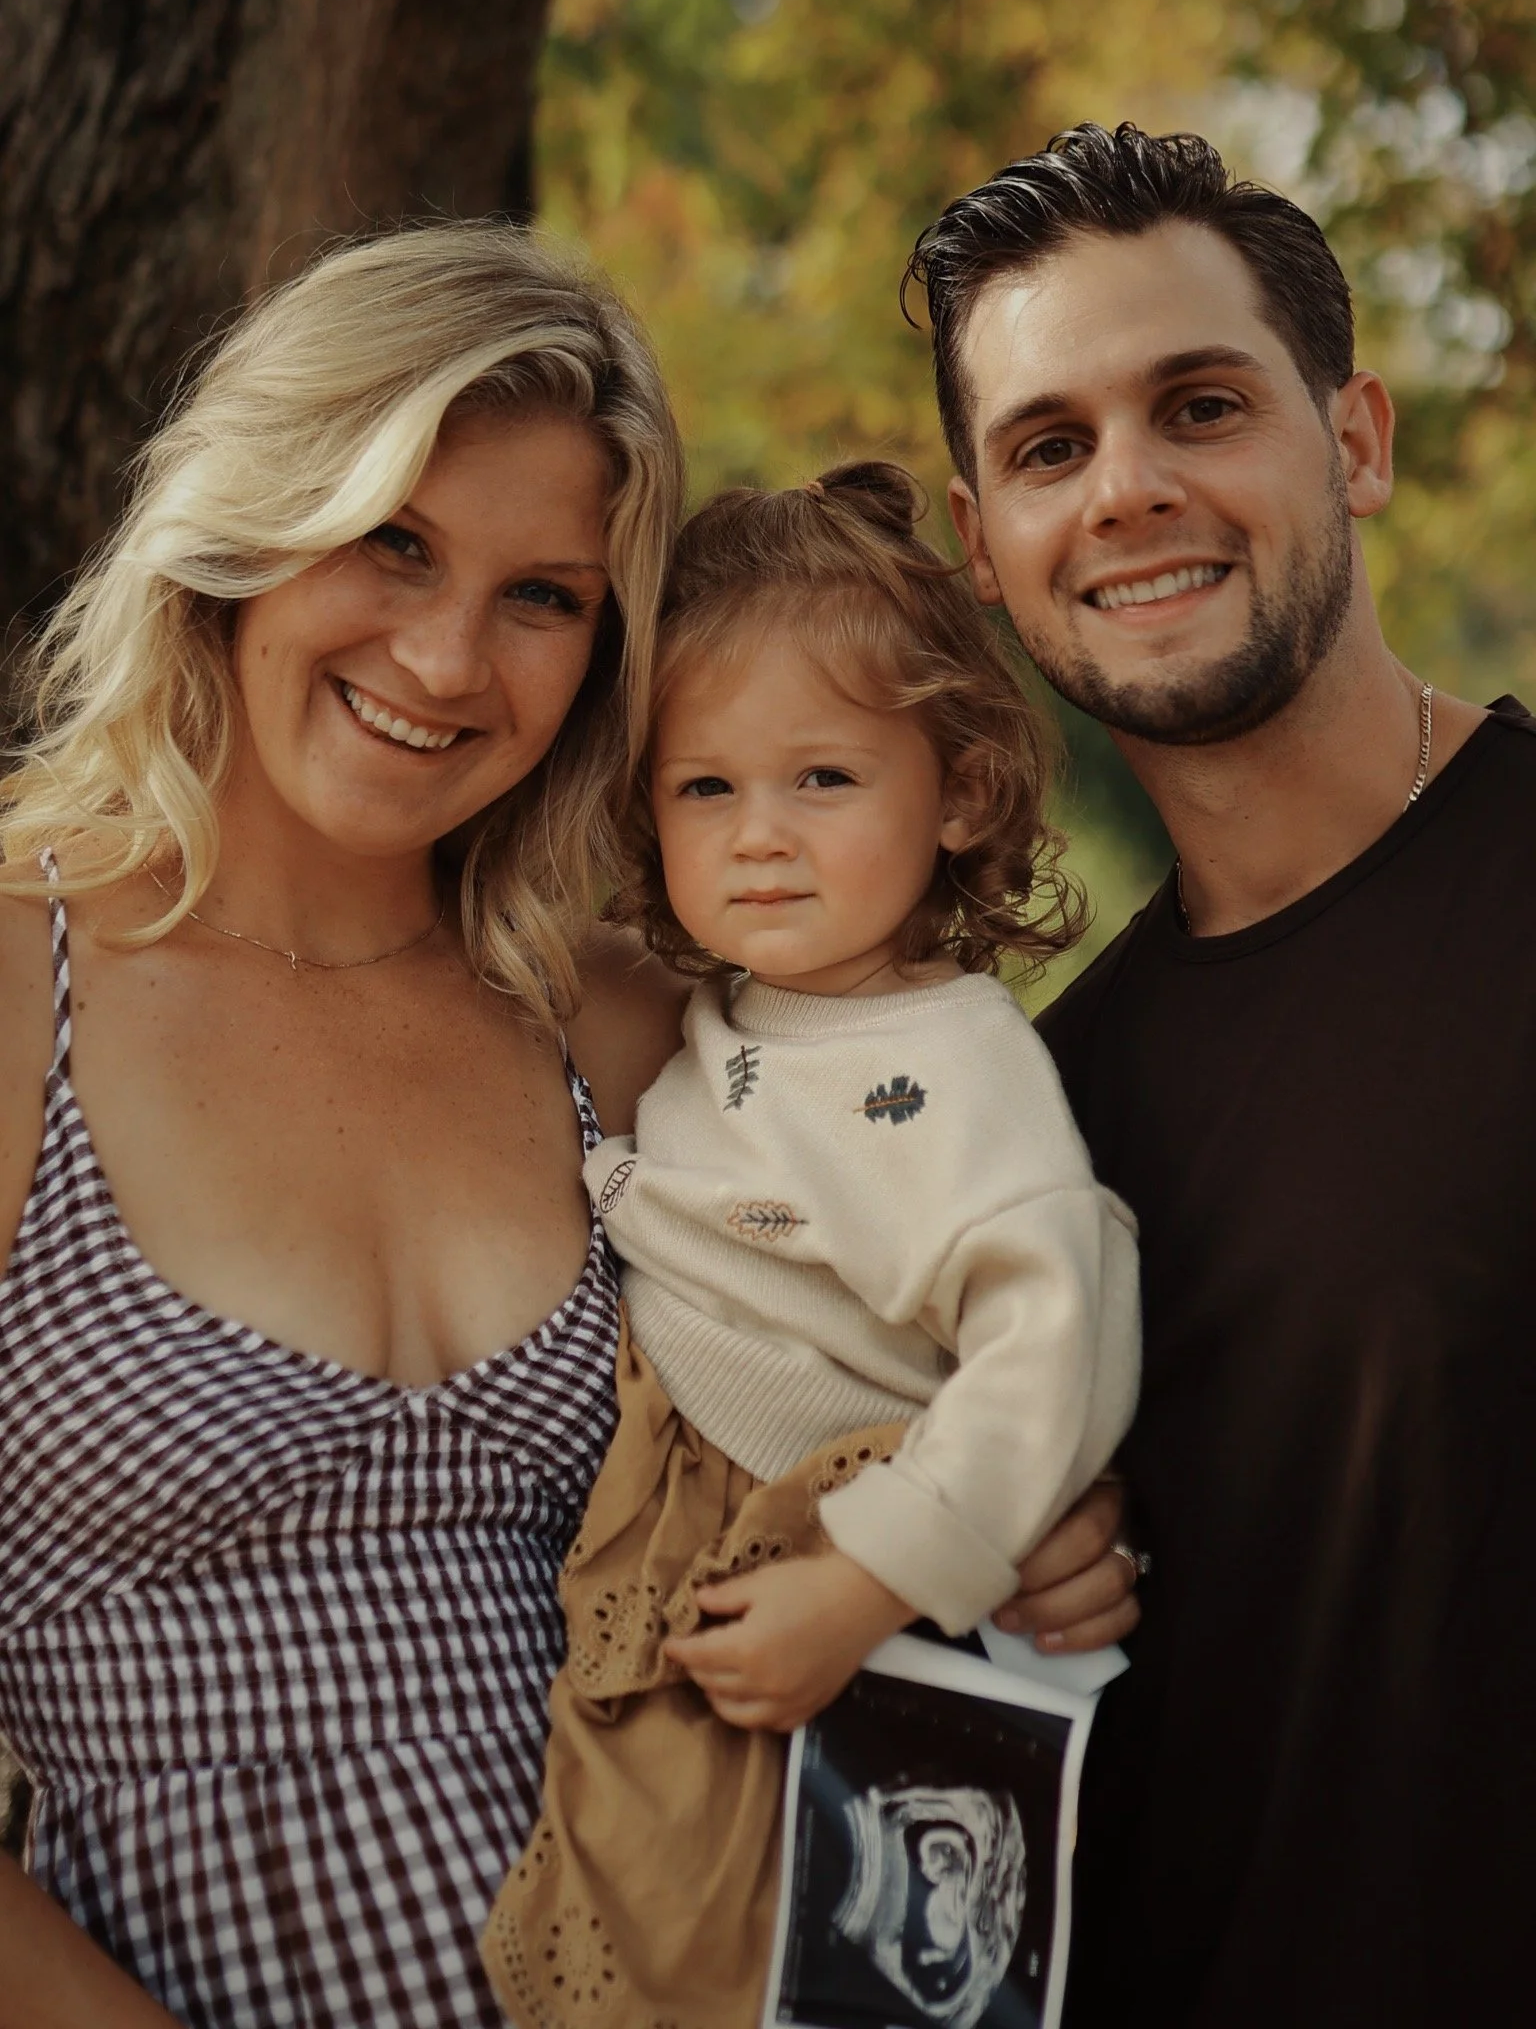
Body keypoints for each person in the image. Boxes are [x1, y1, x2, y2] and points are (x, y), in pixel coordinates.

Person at [0, 225, 1137, 2028]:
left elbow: (904, 1334)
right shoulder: (21, 992)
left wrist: (1002, 1522)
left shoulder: (618, 1029)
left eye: (544, 597)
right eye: (393, 542)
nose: (448, 658)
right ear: (244, 526)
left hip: (681, 1953)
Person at [907, 120, 1536, 2025]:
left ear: (1353, 443)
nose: (1127, 491)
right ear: (985, 553)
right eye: (1049, 448)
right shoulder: (1029, 1118)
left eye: (1199, 406)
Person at [480, 465, 1140, 2029]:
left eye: (823, 782)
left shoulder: (953, 1059)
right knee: (625, 1891)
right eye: (705, 790)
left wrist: (867, 1580)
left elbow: (1058, 1330)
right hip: (677, 1518)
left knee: (751, 1940)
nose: (759, 839)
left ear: (960, 795)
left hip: (811, 1542)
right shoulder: (726, 1016)